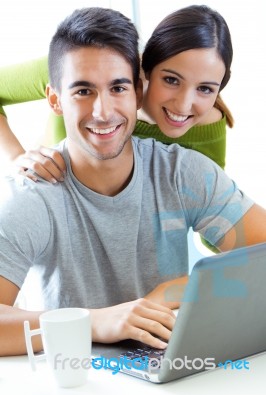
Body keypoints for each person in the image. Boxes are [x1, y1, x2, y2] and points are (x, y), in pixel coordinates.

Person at [0, 6, 265, 358]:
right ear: (55, 100)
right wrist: (94, 322)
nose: (103, 111)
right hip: (71, 377)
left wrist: (179, 290)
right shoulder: (32, 195)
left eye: (117, 88)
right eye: (83, 91)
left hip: (166, 370)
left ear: (138, 91)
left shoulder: (183, 171)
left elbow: (256, 256)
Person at [0, 5, 233, 184]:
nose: (183, 106)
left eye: (205, 89)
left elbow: (217, 224)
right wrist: (15, 158)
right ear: (146, 69)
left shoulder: (207, 126)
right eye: (171, 80)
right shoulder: (81, 66)